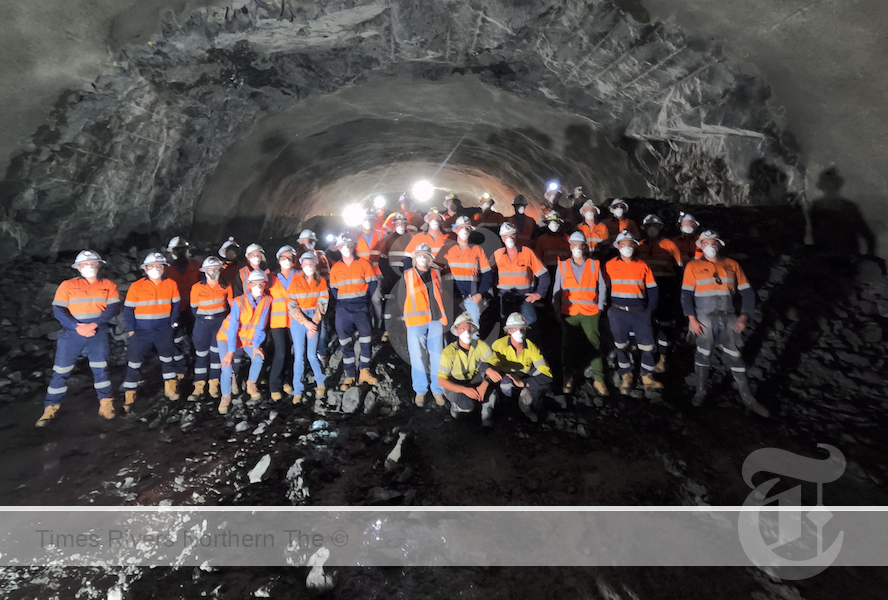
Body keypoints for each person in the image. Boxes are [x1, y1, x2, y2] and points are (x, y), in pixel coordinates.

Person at [682, 230, 770, 417]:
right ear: (701, 246)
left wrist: (744, 316)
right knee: (703, 354)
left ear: (719, 244)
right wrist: (692, 319)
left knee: (735, 356)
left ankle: (748, 399)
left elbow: (747, 293)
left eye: (713, 242)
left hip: (729, 317)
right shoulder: (693, 266)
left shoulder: (732, 264)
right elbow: (686, 295)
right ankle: (700, 393)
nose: (710, 246)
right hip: (704, 318)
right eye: (706, 242)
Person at [37, 250, 120, 427]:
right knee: (61, 371)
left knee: (101, 370)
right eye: (84, 264)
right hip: (72, 333)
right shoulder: (66, 286)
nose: (89, 266)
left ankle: (106, 404)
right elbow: (59, 310)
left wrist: (94, 324)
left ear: (99, 265)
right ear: (78, 267)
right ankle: (50, 409)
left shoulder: (108, 285)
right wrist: (76, 326)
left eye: (92, 263)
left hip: (97, 332)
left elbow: (112, 309)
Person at [604, 231, 663, 394]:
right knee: (620, 345)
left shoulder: (643, 265)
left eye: (630, 244)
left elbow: (652, 289)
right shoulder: (609, 265)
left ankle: (647, 376)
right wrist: (609, 309)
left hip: (639, 311)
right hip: (618, 312)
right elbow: (604, 288)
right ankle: (626, 376)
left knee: (647, 345)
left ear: (634, 246)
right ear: (618, 247)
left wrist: (649, 309)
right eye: (623, 244)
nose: (627, 247)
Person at [122, 252, 182, 411]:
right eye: (152, 267)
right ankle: (130, 395)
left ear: (163, 268)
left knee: (167, 359)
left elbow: (176, 305)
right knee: (134, 362)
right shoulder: (136, 286)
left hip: (163, 329)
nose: (155, 269)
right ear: (145, 269)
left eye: (159, 266)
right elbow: (128, 310)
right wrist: (131, 331)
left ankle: (171, 388)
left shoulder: (171, 284)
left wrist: (173, 324)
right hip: (141, 330)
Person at [553, 233, 608, 396]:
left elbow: (602, 286)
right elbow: (557, 289)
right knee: (567, 345)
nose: (577, 248)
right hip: (569, 312)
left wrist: (600, 306)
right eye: (573, 245)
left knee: (595, 343)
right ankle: (567, 377)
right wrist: (556, 308)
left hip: (590, 311)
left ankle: (599, 379)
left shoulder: (594, 264)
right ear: (569, 246)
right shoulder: (562, 266)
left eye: (580, 245)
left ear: (585, 246)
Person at [216, 269, 272, 413]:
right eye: (255, 284)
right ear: (249, 285)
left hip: (247, 339)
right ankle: (226, 396)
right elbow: (233, 327)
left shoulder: (266, 300)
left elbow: (261, 325)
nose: (258, 287)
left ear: (265, 285)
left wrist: (256, 346)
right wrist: (230, 351)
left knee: (258, 358)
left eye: (261, 284)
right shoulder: (239, 301)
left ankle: (251, 384)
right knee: (227, 367)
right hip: (227, 337)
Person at [329, 234, 379, 390]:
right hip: (343, 308)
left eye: (348, 244)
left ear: (353, 246)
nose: (346, 248)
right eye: (342, 245)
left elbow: (372, 283)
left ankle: (364, 371)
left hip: (360, 306)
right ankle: (350, 376)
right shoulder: (336, 268)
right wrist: (346, 299)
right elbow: (334, 289)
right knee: (345, 342)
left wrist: (362, 299)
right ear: (338, 248)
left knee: (366, 339)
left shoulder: (364, 264)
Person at [438, 312, 502, 427]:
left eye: (468, 329)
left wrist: (486, 382)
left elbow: (496, 363)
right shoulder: (448, 352)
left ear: (473, 331)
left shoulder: (480, 345)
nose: (466, 333)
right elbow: (442, 380)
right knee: (467, 406)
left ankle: (486, 414)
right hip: (456, 384)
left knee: (493, 376)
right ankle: (457, 407)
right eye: (462, 329)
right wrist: (463, 390)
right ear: (457, 332)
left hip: (474, 380)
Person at [403, 243, 448, 407]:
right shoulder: (408, 274)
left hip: (436, 318)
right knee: (417, 356)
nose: (422, 257)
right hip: (416, 321)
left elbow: (439, 295)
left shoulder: (436, 273)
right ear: (415, 257)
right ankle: (420, 391)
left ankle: (437, 390)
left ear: (430, 258)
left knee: (437, 356)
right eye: (419, 254)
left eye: (425, 254)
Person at [637, 214, 684, 372]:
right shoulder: (639, 246)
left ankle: (663, 358)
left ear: (660, 227)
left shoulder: (669, 245)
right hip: (646, 289)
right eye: (648, 225)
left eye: (655, 225)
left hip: (666, 287)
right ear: (643, 228)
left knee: (664, 322)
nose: (652, 228)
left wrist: (676, 292)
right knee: (647, 322)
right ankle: (648, 354)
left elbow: (679, 268)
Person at [490, 312, 553, 423]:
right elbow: (488, 365)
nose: (518, 332)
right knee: (505, 383)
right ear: (508, 331)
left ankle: (526, 406)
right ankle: (505, 407)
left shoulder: (532, 347)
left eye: (521, 329)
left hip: (524, 376)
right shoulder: (498, 345)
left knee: (542, 383)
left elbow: (547, 375)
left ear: (525, 330)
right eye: (514, 329)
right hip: (505, 376)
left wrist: (524, 383)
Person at [187, 256, 233, 402]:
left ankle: (214, 385)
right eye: (209, 269)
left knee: (216, 355)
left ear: (220, 269)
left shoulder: (226, 286)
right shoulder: (196, 287)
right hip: (202, 324)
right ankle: (199, 387)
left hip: (219, 323)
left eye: (215, 268)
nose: (212, 271)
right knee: (201, 355)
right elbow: (194, 308)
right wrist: (204, 318)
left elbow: (232, 306)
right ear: (204, 270)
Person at [287, 252, 330, 403]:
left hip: (314, 316)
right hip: (299, 320)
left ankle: (321, 384)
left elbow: (323, 302)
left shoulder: (321, 282)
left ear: (315, 264)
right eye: (305, 264)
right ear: (301, 265)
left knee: (312, 355)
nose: (308, 266)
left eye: (310, 264)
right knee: (299, 356)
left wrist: (315, 322)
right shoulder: (295, 281)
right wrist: (305, 322)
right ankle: (298, 390)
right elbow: (291, 304)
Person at [490, 222, 550, 326]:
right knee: (509, 327)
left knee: (530, 325)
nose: (509, 238)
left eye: (512, 235)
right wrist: (494, 284)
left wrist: (539, 293)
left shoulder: (527, 252)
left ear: (516, 235)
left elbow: (544, 274)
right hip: (506, 299)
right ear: (502, 238)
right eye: (506, 235)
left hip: (525, 298)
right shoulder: (497, 254)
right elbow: (486, 273)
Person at [442, 216, 492, 336]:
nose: (464, 230)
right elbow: (436, 272)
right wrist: (442, 291)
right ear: (456, 230)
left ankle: (474, 354)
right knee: (452, 330)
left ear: (470, 231)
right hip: (452, 297)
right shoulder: (446, 249)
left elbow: (487, 274)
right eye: (461, 228)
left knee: (473, 331)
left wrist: (480, 293)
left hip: (471, 298)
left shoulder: (477, 249)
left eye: (467, 228)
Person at [267, 245, 300, 401]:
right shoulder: (270, 278)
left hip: (295, 320)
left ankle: (287, 382)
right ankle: (274, 386)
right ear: (278, 260)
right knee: (280, 353)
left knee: (291, 353)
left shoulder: (299, 276)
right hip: (277, 321)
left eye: (289, 257)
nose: (286, 260)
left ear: (293, 260)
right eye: (283, 258)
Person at [166, 236, 201, 379]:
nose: (181, 253)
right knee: (176, 339)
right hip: (175, 310)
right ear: (172, 252)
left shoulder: (197, 265)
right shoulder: (166, 269)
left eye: (183, 250)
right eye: (178, 250)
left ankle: (195, 365)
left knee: (196, 338)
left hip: (193, 309)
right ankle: (181, 369)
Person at [297, 229, 332, 360]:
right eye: (305, 241)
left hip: (318, 296)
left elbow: (327, 276)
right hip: (302, 299)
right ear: (300, 242)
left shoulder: (321, 257)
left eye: (311, 241)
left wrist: (324, 291)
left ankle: (322, 352)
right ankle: (305, 354)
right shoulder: (296, 258)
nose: (308, 243)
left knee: (321, 325)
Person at [354, 211, 386, 334]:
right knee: (363, 300)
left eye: (369, 219)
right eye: (364, 219)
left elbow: (385, 254)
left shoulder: (380, 235)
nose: (367, 222)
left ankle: (378, 325)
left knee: (376, 299)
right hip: (361, 274)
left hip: (376, 272)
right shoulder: (355, 236)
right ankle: (364, 326)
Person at [534, 211, 570, 284]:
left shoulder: (567, 238)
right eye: (551, 221)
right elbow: (538, 259)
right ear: (547, 223)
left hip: (564, 271)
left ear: (560, 223)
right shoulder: (542, 239)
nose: (554, 224)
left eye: (556, 221)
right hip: (547, 271)